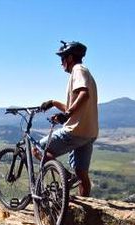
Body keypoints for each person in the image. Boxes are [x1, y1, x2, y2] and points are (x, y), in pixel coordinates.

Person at [36, 41, 98, 197]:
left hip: (75, 131)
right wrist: (54, 103)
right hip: (89, 132)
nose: (61, 62)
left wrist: (67, 114)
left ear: (70, 58)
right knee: (82, 173)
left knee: (36, 149)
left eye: (62, 57)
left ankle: (64, 175)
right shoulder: (85, 73)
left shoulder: (78, 70)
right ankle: (86, 209)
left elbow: (84, 94)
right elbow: (76, 105)